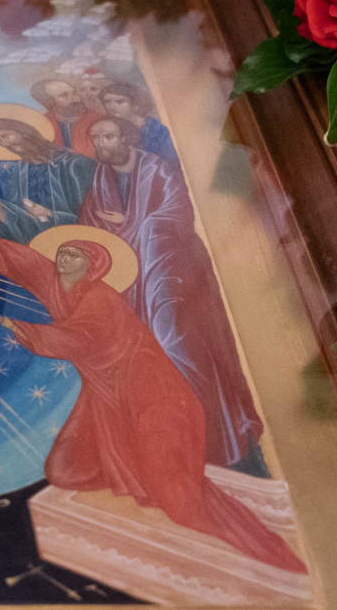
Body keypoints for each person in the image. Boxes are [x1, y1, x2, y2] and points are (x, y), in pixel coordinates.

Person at [0, 231, 305, 574]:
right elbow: (28, 263)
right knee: (64, 470)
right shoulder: (57, 284)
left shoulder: (101, 299)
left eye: (74, 256)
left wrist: (5, 321)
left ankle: (262, 546)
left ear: (92, 267)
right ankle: (136, 474)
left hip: (147, 391)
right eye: (63, 253)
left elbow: (78, 339)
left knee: (181, 505)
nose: (64, 260)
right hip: (106, 393)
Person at [81, 115, 265, 470]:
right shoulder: (100, 179)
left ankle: (219, 436)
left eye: (107, 136)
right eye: (95, 137)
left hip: (174, 272)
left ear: (126, 138)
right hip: (133, 287)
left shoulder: (159, 170)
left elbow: (177, 216)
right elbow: (91, 226)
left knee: (177, 346)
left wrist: (129, 225)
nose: (100, 143)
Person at [0, 117, 96, 245]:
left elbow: (90, 218)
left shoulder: (74, 164)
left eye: (6, 136)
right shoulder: (21, 171)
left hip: (73, 239)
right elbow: (13, 216)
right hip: (36, 240)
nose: (5, 143)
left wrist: (49, 213)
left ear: (23, 131)